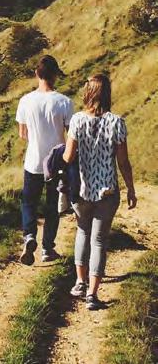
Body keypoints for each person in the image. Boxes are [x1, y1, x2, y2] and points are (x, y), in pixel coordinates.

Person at [63, 74, 137, 311]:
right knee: (99, 241)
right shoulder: (117, 122)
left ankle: (79, 282)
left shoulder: (76, 121)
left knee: (82, 233)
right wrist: (131, 189)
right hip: (107, 191)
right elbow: (123, 162)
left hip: (82, 190)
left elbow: (68, 157)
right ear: (107, 94)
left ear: (88, 92)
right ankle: (92, 295)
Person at [16, 55, 73, 265]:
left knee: (29, 203)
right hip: (56, 163)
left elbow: (23, 134)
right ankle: (48, 248)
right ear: (55, 75)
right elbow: (71, 136)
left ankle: (29, 236)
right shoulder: (64, 102)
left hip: (33, 160)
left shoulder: (25, 101)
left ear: (36, 74)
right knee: (52, 207)